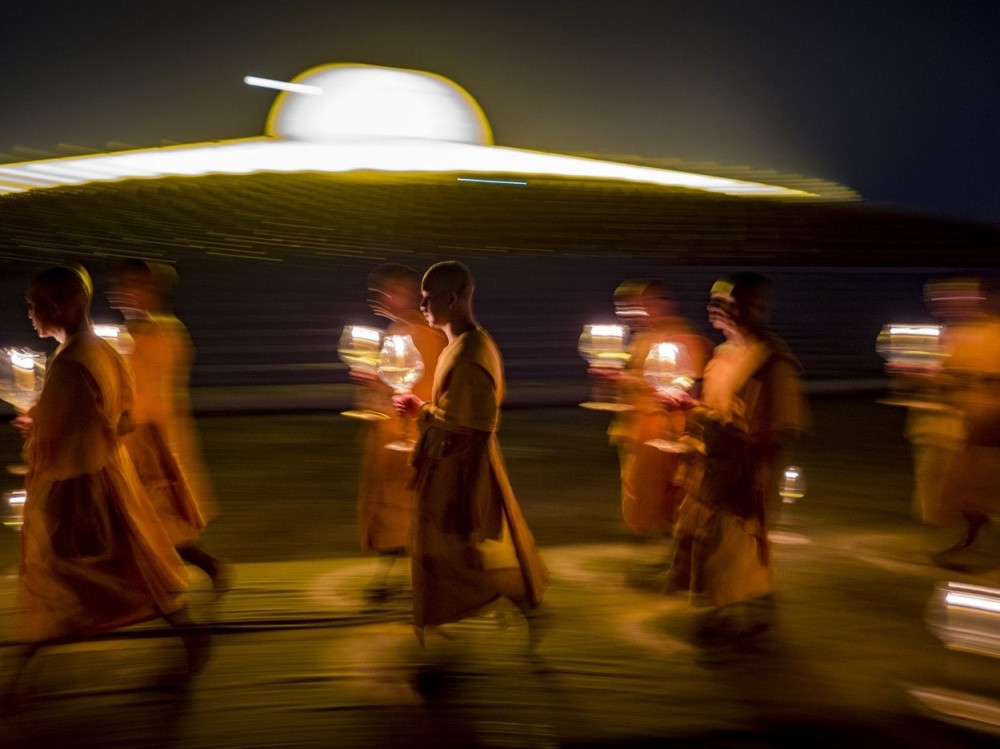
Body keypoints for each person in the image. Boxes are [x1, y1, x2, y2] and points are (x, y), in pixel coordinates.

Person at [3, 265, 207, 701]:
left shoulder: (71, 363)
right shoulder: (101, 349)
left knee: (60, 582)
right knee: (132, 573)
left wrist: (33, 431)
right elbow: (124, 416)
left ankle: (21, 680)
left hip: (80, 493)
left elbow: (58, 448)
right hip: (109, 481)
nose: (32, 313)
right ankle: (190, 635)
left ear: (68, 305)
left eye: (39, 303)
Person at [393, 261, 548, 647]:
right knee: (446, 552)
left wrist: (420, 412)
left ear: (453, 297)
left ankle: (512, 601)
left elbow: (472, 426)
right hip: (447, 462)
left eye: (428, 298)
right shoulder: (459, 347)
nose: (423, 306)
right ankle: (452, 617)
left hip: (460, 469)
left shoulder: (472, 352)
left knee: (452, 552)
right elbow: (456, 411)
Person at [663, 272, 807, 639]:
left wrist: (754, 469)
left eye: (726, 303)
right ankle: (740, 604)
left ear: (752, 307)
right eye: (714, 302)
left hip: (741, 468)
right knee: (704, 535)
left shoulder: (772, 362)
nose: (716, 310)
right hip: (708, 465)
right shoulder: (723, 354)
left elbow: (782, 426)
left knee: (731, 539)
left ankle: (727, 609)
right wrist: (687, 405)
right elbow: (714, 405)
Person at [108, 259, 229, 595]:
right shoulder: (125, 335)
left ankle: (193, 578)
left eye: (131, 286)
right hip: (131, 443)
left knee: (158, 522)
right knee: (143, 522)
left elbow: (155, 394)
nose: (122, 293)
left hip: (154, 444)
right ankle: (198, 573)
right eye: (121, 286)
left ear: (151, 293)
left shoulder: (166, 333)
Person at [352, 263, 446, 603]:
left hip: (411, 441)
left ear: (407, 293)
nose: (379, 299)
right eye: (375, 293)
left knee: (410, 514)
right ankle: (395, 575)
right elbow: (386, 385)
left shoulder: (427, 336)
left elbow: (427, 391)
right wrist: (367, 383)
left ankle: (435, 580)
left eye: (387, 291)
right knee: (393, 514)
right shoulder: (395, 331)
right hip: (387, 440)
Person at [605, 280, 710, 539]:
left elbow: (686, 381)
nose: (632, 313)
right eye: (625, 308)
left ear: (664, 304)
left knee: (667, 486)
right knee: (642, 486)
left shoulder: (680, 335)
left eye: (639, 306)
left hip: (663, 424)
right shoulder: (644, 336)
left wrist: (626, 380)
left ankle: (676, 531)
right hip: (638, 425)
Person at [930, 276, 1000, 561]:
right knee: (971, 483)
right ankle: (973, 537)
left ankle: (975, 540)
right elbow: (949, 372)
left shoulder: (985, 334)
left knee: (977, 481)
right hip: (978, 419)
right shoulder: (968, 333)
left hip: (986, 417)